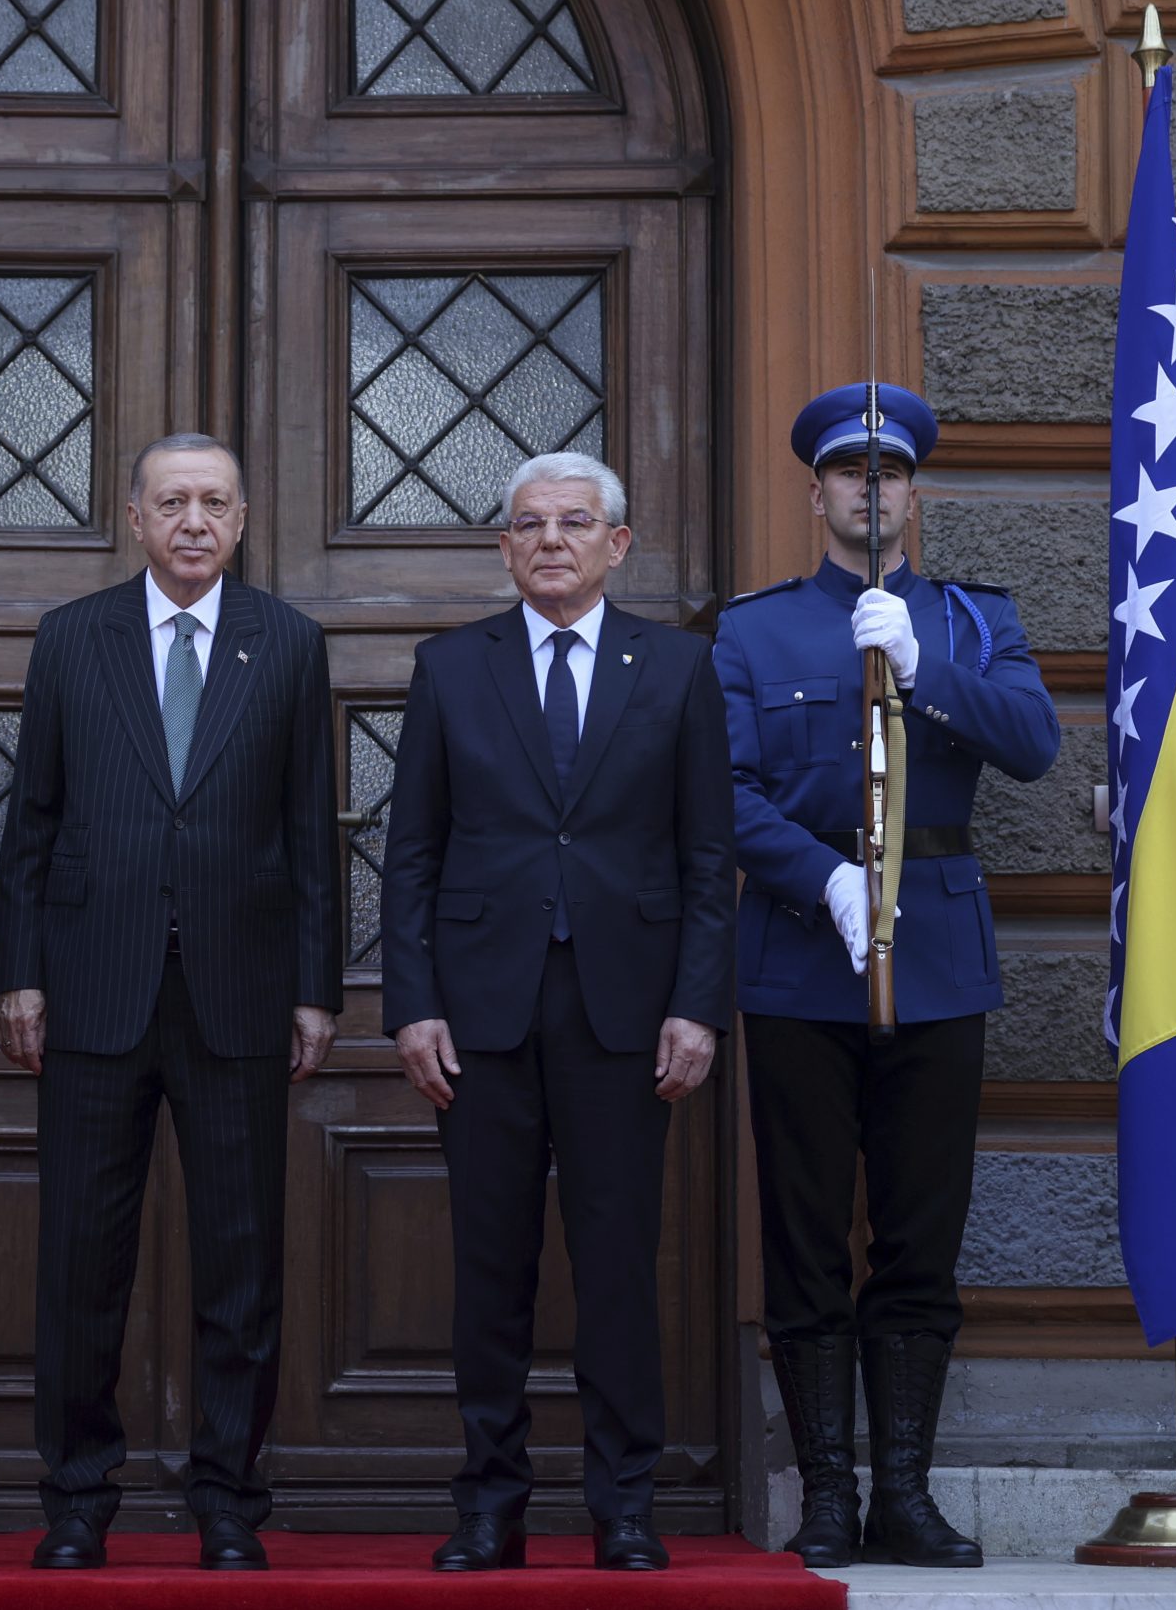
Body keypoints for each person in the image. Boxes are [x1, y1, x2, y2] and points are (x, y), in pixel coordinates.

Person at [713, 384, 1059, 1569]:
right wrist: (823, 880)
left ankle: (903, 1492)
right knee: (807, 1235)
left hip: (939, 956)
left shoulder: (969, 623)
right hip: (804, 957)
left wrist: (925, 670)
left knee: (919, 1234)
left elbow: (1031, 745)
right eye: (849, 474)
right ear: (815, 492)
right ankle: (824, 1495)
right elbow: (725, 792)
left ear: (916, 492)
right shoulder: (753, 632)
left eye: (890, 474)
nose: (870, 490)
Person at [0, 433, 340, 1573]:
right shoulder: (70, 638)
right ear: (134, 518)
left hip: (239, 994)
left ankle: (230, 1501)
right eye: (172, 502)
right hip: (95, 987)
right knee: (80, 1263)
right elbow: (29, 825)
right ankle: (77, 1501)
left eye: (215, 503)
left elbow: (309, 833)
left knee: (241, 1264)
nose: (194, 521)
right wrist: (20, 971)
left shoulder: (286, 643)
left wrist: (316, 990)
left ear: (241, 521)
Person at [381, 451, 734, 1574]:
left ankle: (622, 1505)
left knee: (617, 1263)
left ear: (616, 543)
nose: (550, 541)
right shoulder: (451, 666)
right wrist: (411, 1005)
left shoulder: (677, 669)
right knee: (490, 1269)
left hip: (625, 1013)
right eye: (527, 524)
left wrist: (696, 1007)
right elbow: (412, 857)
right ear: (503, 546)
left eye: (574, 523)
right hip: (480, 1014)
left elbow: (706, 855)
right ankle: (489, 1503)